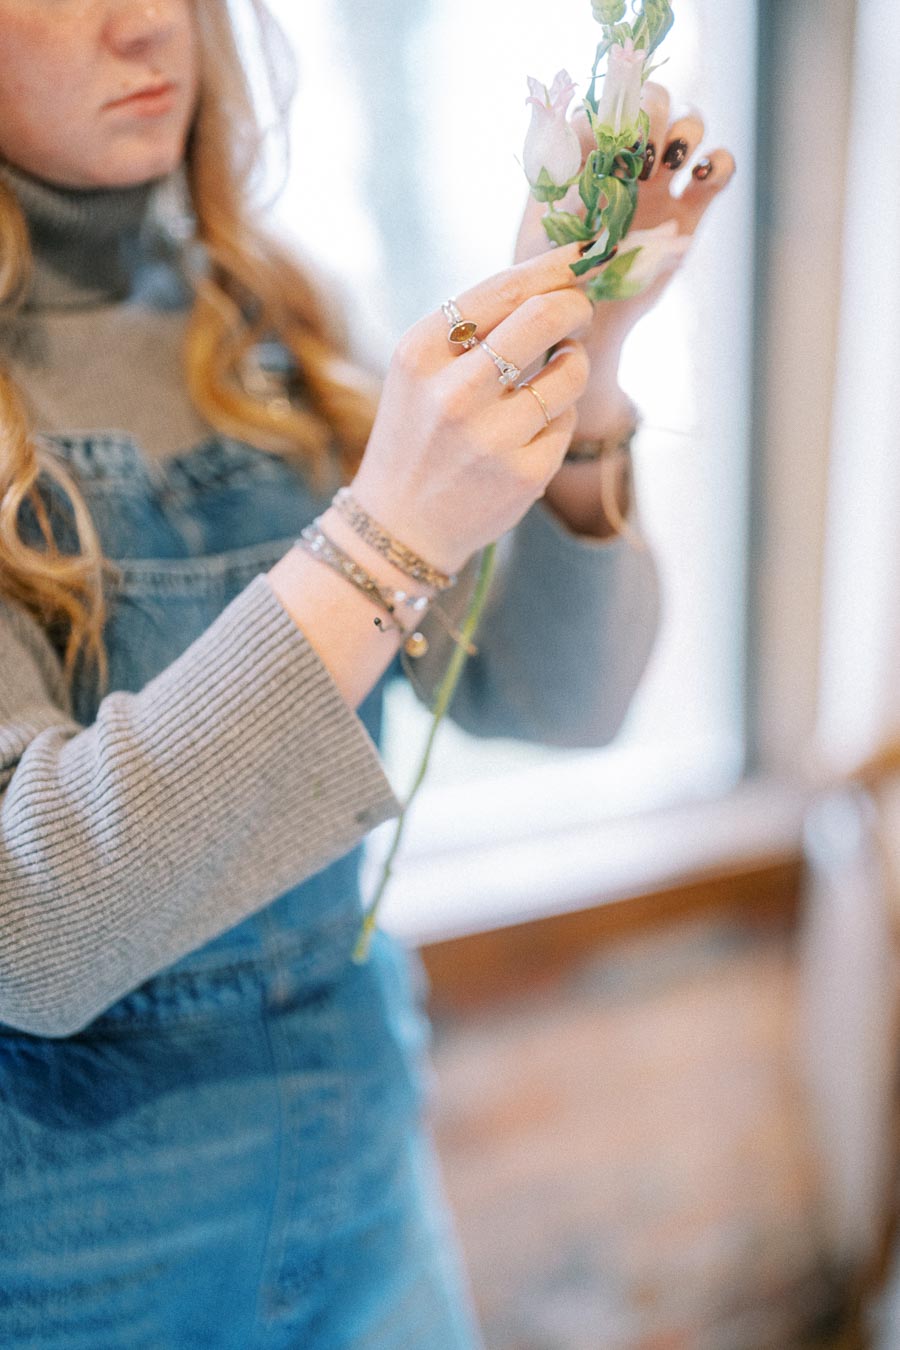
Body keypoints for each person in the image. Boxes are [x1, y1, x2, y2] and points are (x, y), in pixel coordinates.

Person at [0, 0, 735, 1345]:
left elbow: (566, 700)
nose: (146, 23)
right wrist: (381, 534)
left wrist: (593, 366)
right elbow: (26, 925)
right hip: (73, 1258)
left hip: (369, 1188)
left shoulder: (278, 319)